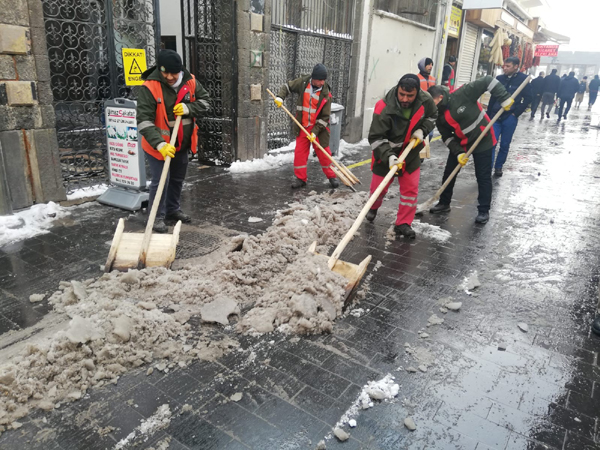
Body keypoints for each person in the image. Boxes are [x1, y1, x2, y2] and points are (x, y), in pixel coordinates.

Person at [137, 49, 211, 233]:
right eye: (165, 72)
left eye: (173, 73)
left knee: (177, 179)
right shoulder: (150, 86)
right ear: (159, 69)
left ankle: (172, 210)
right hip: (158, 145)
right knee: (161, 180)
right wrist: (160, 144)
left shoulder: (190, 81)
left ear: (180, 70)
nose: (169, 76)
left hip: (181, 143)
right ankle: (156, 216)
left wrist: (188, 108)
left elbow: (206, 102)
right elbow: (144, 120)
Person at [427, 78, 513, 224]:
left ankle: (484, 210)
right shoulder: (439, 115)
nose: (431, 107)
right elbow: (447, 137)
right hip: (462, 143)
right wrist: (458, 152)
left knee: (483, 176)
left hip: (483, 138)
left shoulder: (462, 93)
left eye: (433, 103)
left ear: (440, 97)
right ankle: (444, 203)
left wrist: (504, 98)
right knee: (449, 172)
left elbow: (488, 81)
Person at [366, 74, 437, 238]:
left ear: (417, 93)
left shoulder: (425, 100)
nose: (405, 98)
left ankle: (403, 223)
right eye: (402, 94)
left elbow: (433, 115)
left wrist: (423, 130)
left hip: (410, 153)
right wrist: (389, 157)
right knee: (379, 189)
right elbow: (375, 138)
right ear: (397, 89)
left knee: (410, 190)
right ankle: (373, 207)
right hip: (385, 155)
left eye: (410, 96)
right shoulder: (383, 107)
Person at [274, 64, 339, 189]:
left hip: (318, 129)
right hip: (303, 126)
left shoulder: (326, 94)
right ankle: (300, 179)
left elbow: (325, 118)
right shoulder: (303, 83)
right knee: (300, 154)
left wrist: (314, 132)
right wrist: (280, 97)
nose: (321, 82)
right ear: (313, 78)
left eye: (323, 80)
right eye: (319, 80)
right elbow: (287, 86)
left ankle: (332, 176)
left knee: (324, 153)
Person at [486, 57, 532, 177]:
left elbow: (528, 98)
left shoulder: (523, 80)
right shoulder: (499, 79)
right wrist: (488, 115)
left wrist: (516, 113)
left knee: (505, 144)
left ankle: (498, 166)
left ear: (516, 66)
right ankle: (488, 168)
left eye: (508, 66)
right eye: (504, 66)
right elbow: (493, 98)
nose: (504, 68)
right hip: (496, 116)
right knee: (491, 143)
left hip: (509, 117)